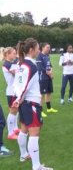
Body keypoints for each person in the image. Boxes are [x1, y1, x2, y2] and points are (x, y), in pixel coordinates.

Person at [13, 38, 53, 170]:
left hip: (25, 103)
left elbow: (18, 84)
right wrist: (19, 98)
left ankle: (23, 154)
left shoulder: (22, 64)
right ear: (31, 50)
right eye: (37, 48)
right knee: (34, 134)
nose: (38, 50)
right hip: (30, 104)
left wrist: (19, 99)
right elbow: (25, 85)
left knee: (24, 130)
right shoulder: (31, 66)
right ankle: (37, 167)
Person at [2, 47, 20, 140]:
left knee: (16, 111)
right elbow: (16, 73)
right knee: (12, 112)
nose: (15, 55)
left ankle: (15, 129)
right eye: (13, 53)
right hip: (11, 91)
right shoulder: (7, 64)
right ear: (7, 54)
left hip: (15, 91)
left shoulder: (12, 63)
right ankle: (10, 133)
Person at [36, 43, 57, 117]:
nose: (49, 49)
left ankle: (49, 108)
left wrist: (51, 71)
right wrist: (49, 73)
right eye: (47, 47)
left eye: (49, 47)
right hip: (42, 78)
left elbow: (50, 65)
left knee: (49, 92)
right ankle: (40, 111)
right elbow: (40, 67)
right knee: (41, 94)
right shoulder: (39, 56)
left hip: (48, 77)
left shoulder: (47, 55)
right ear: (43, 48)